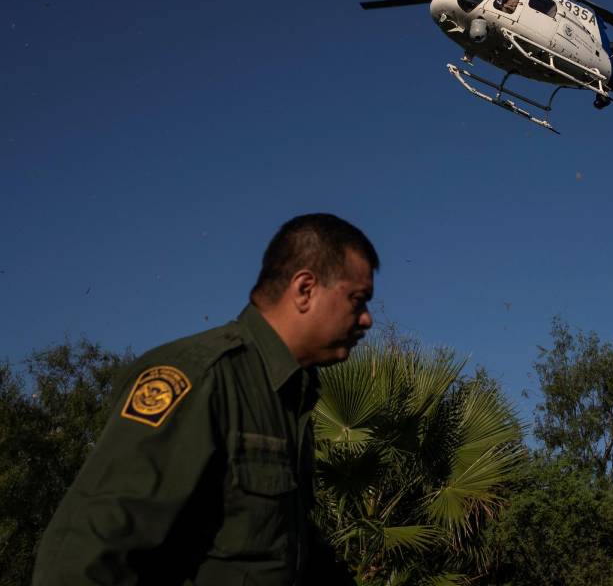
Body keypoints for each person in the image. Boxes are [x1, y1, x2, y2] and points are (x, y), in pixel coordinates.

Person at [33, 213, 378, 585]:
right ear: (305, 289)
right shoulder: (200, 377)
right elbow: (86, 556)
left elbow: (283, 550)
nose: (366, 320)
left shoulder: (288, 396)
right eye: (357, 300)